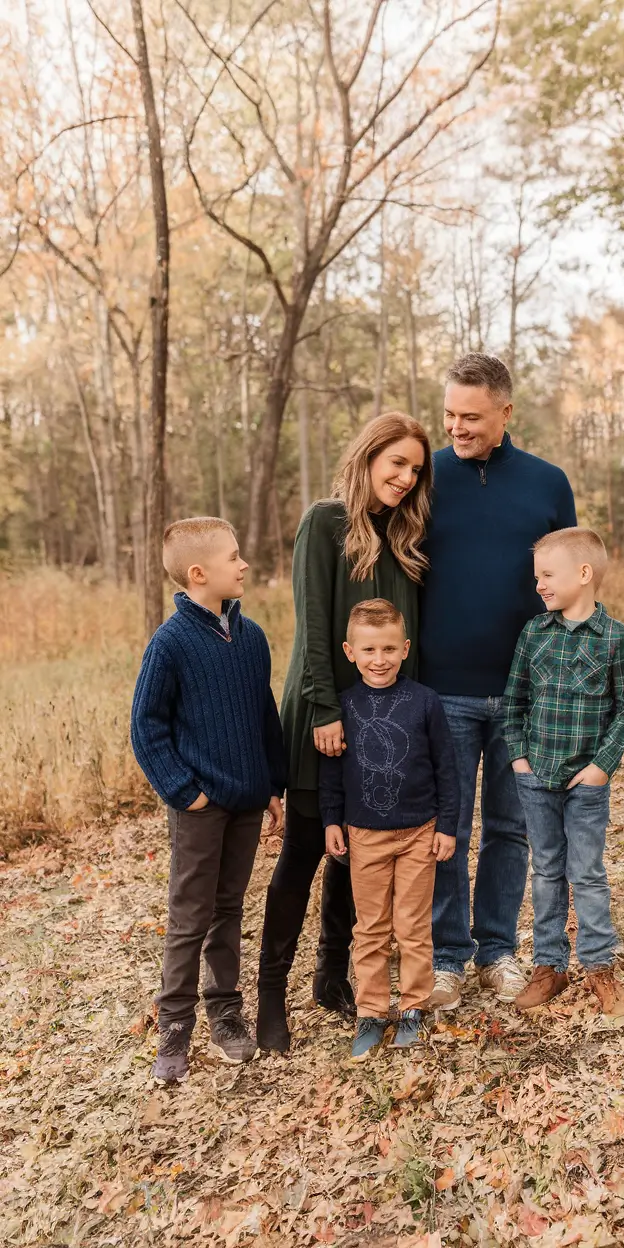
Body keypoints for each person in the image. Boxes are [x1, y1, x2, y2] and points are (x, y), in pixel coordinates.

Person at [257, 413, 433, 1054]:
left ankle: (331, 976)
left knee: (354, 854)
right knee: (304, 852)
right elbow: (311, 627)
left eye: (416, 470)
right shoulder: (326, 522)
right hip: (323, 715)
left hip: (385, 725)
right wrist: (325, 710)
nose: (405, 478)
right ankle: (270, 996)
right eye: (396, 463)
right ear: (367, 458)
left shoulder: (407, 537)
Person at [419, 353, 577, 1010]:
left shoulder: (547, 483)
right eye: (449, 414)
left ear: (506, 412)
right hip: (443, 689)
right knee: (448, 829)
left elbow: (570, 585)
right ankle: (446, 959)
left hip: (524, 693)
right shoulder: (422, 477)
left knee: (510, 828)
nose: (457, 427)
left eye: (472, 417)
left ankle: (496, 951)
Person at [131, 517, 286, 1085]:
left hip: (247, 800)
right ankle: (175, 1023)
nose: (244, 564)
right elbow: (146, 727)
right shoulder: (170, 643)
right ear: (199, 573)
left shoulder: (251, 637)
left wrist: (274, 786)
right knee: (190, 913)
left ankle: (225, 1010)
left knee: (228, 907)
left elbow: (264, 716)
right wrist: (184, 792)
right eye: (233, 557)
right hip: (200, 805)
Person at [502, 527, 624, 1016]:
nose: (538, 584)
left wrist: (602, 766)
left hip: (587, 783)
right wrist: (519, 758)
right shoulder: (534, 633)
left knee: (586, 873)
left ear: (584, 574)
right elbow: (514, 701)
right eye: (536, 576)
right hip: (536, 777)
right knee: (546, 871)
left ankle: (599, 969)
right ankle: (549, 967)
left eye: (547, 575)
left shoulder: (615, 638)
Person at [320, 599, 459, 1059]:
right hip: (364, 835)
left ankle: (413, 1007)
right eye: (368, 650)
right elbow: (331, 772)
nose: (379, 660)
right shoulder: (344, 706)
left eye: (388, 649)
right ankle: (371, 1012)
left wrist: (447, 826)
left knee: (413, 927)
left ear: (405, 648)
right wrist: (331, 820)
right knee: (371, 928)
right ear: (349, 651)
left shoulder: (425, 701)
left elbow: (447, 769)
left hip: (420, 831)